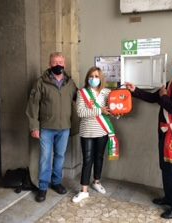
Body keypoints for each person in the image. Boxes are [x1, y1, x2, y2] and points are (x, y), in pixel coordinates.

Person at [125, 51, 172, 219]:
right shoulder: (171, 83)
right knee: (165, 168)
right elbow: (154, 98)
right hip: (165, 133)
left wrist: (163, 95)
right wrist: (135, 90)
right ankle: (169, 197)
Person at [26, 52, 77, 202]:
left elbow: (80, 99)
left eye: (60, 62)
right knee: (45, 158)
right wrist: (34, 127)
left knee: (60, 156)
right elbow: (33, 106)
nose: (58, 65)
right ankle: (42, 187)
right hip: (46, 128)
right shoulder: (40, 82)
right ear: (49, 65)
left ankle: (56, 182)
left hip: (64, 128)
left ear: (65, 64)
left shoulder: (70, 83)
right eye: (55, 63)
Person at [72, 66, 112, 203]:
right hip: (87, 131)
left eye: (96, 76)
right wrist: (100, 110)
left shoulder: (107, 93)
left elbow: (112, 109)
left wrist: (116, 111)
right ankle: (84, 191)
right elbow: (81, 113)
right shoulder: (82, 93)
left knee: (99, 157)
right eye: (91, 76)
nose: (93, 79)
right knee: (87, 160)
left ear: (100, 78)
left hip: (102, 130)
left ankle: (96, 181)